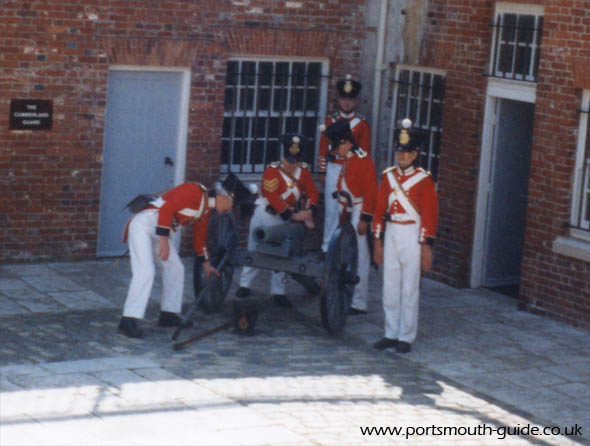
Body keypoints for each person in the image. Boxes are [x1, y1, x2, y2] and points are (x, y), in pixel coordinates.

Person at [118, 173, 253, 338]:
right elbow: (167, 209)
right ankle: (128, 319)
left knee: (176, 268)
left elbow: (199, 240)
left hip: (159, 232)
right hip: (143, 226)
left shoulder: (206, 211)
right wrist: (163, 241)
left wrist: (206, 264)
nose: (229, 210)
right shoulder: (194, 191)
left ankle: (168, 313)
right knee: (145, 271)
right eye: (231, 205)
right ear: (225, 199)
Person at [372, 118, 438, 353]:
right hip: (391, 232)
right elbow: (380, 209)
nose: (402, 157)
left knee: (409, 287)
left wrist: (426, 246)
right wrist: (377, 240)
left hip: (412, 233)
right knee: (390, 284)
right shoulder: (388, 177)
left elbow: (429, 215)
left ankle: (406, 337)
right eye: (400, 152)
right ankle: (390, 332)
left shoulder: (424, 180)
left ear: (415, 154)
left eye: (407, 153)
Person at [236, 134, 319, 308]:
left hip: (284, 219)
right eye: (288, 161)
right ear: (282, 158)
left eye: (295, 162)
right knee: (253, 248)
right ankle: (245, 285)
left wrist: (308, 210)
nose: (291, 165)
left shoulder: (303, 171)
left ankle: (278, 292)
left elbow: (312, 193)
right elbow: (271, 196)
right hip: (266, 213)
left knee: (281, 254)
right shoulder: (272, 170)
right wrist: (293, 216)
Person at [321, 119, 377, 315]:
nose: (337, 152)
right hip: (348, 210)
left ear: (347, 143)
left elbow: (370, 192)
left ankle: (359, 302)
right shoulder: (348, 158)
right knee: (347, 254)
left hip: (359, 211)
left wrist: (365, 218)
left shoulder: (363, 161)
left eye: (339, 147)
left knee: (360, 256)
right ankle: (349, 294)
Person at [318, 74, 371, 256]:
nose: (347, 103)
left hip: (352, 170)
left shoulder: (362, 124)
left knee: (350, 209)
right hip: (334, 168)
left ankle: (346, 249)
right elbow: (323, 148)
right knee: (332, 210)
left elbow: (364, 150)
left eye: (350, 99)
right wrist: (323, 171)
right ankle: (327, 248)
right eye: (343, 98)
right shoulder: (331, 121)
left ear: (356, 101)